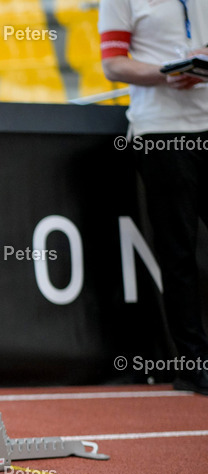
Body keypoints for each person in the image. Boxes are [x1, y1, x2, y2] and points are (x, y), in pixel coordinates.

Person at [100, 0, 208, 394]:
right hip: (160, 132)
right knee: (178, 252)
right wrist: (167, 74)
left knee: (181, 252)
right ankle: (194, 364)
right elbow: (112, 63)